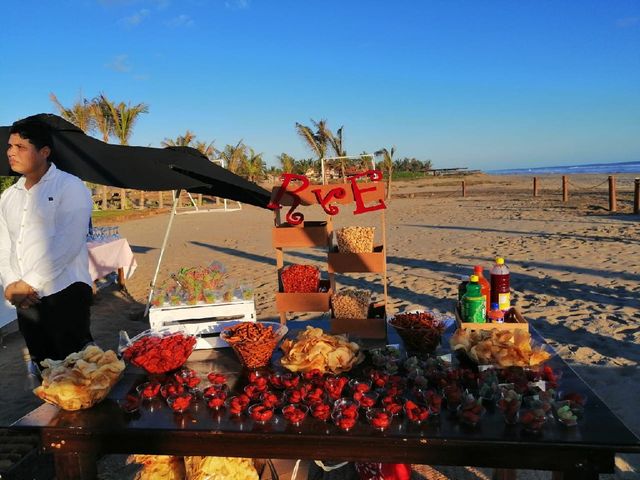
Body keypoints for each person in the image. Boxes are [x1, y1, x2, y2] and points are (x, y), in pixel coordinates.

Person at [0, 119, 94, 371]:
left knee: (80, 369)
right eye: (10, 146)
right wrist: (10, 283)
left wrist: (29, 283)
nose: (10, 152)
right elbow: (4, 243)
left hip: (64, 292)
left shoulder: (70, 186)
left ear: (44, 152)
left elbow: (69, 241)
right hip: (25, 300)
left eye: (20, 146)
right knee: (44, 365)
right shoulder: (9, 196)